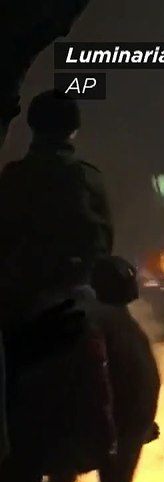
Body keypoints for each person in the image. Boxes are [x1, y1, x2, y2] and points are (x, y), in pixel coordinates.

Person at [0, 89, 112, 320]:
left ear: (32, 126)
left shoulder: (13, 176)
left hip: (18, 303)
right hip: (76, 302)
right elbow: (104, 243)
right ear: (74, 130)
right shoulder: (89, 178)